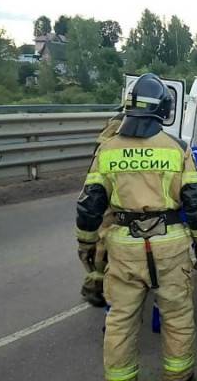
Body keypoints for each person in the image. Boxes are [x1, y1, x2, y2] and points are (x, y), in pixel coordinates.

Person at [75, 73, 197, 381]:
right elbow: (196, 201)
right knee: (177, 316)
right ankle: (179, 376)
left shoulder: (107, 149)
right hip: (171, 246)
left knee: (121, 320)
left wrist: (85, 245)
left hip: (124, 247)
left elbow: (89, 206)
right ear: (162, 110)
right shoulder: (176, 148)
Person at [79, 112, 124, 308]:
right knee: (104, 240)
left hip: (100, 184)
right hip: (109, 188)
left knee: (99, 238)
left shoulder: (114, 122)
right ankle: (97, 288)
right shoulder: (127, 124)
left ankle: (94, 285)